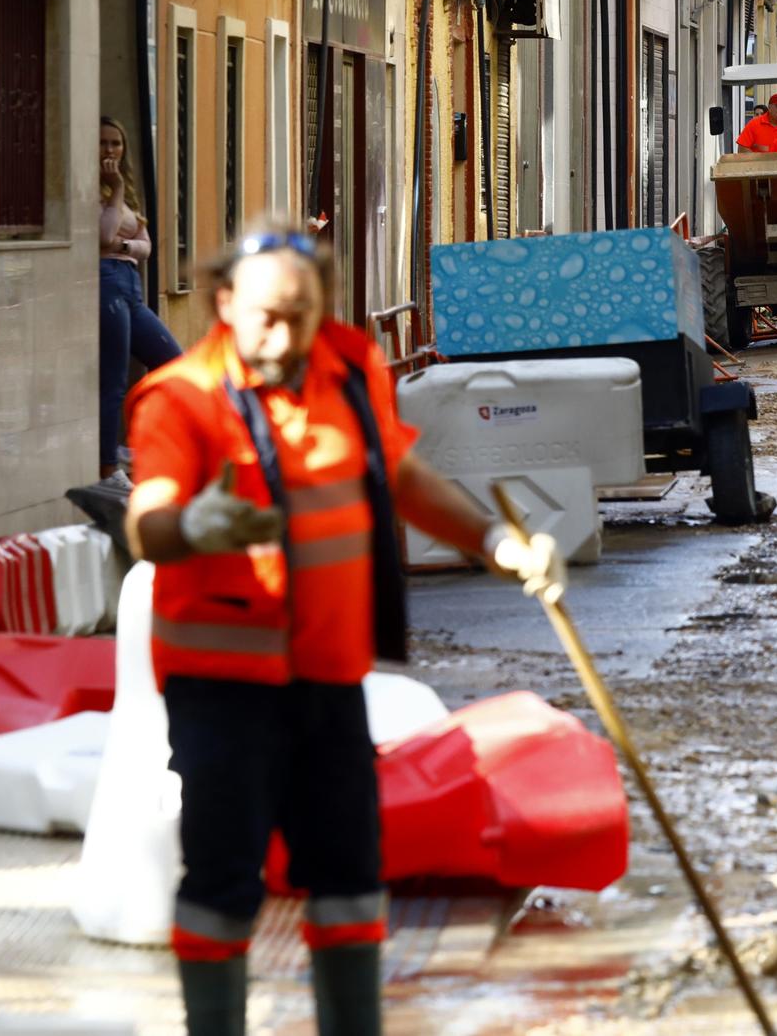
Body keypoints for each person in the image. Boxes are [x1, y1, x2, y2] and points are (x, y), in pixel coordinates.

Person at [122, 224, 566, 1036]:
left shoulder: (349, 369)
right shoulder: (180, 398)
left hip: (329, 680)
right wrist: (192, 527)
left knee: (352, 879)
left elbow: (397, 475)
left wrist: (495, 542)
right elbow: (146, 525)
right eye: (265, 316)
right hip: (222, 694)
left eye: (301, 315)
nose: (282, 337)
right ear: (224, 303)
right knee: (222, 883)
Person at [99, 116, 182, 480]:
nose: (110, 150)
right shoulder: (93, 187)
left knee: (173, 362)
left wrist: (125, 245)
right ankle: (107, 465)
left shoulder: (126, 189)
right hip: (106, 283)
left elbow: (146, 248)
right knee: (114, 381)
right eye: (102, 143)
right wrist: (114, 190)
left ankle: (140, 444)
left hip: (128, 283)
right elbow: (102, 237)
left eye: (116, 143)